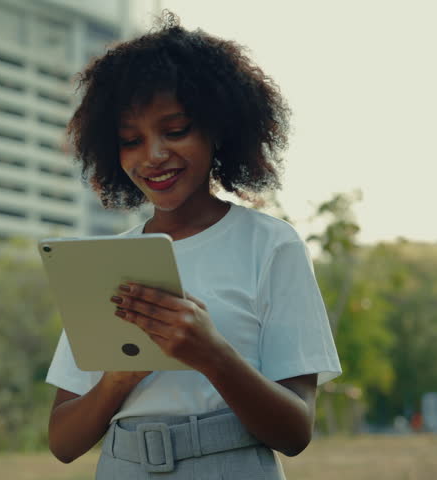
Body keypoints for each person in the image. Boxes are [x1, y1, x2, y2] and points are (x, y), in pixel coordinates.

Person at [45, 12, 341, 479]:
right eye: (130, 140)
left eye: (176, 130)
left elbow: (295, 431)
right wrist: (119, 378)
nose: (154, 155)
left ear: (217, 128)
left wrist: (211, 354)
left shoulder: (270, 245)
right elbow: (62, 442)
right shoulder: (106, 264)